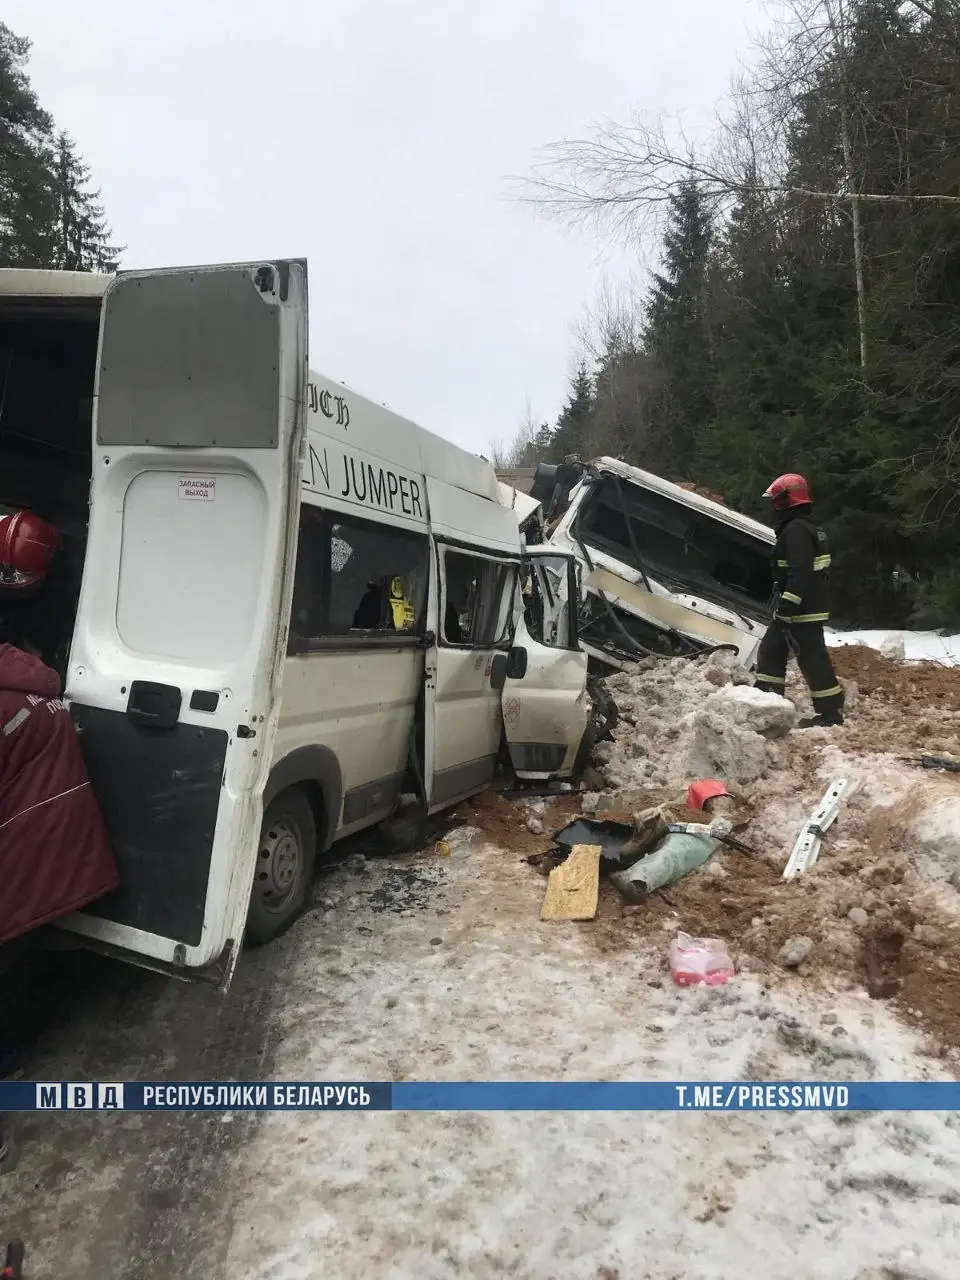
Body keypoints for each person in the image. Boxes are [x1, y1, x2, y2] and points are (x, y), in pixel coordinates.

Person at [754, 473, 845, 728]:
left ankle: (828, 713)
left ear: (785, 501)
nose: (774, 506)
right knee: (780, 650)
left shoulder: (796, 531)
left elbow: (800, 572)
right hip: (807, 606)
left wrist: (787, 608)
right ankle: (768, 702)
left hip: (801, 609)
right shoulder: (805, 527)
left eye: (776, 500)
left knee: (803, 655)